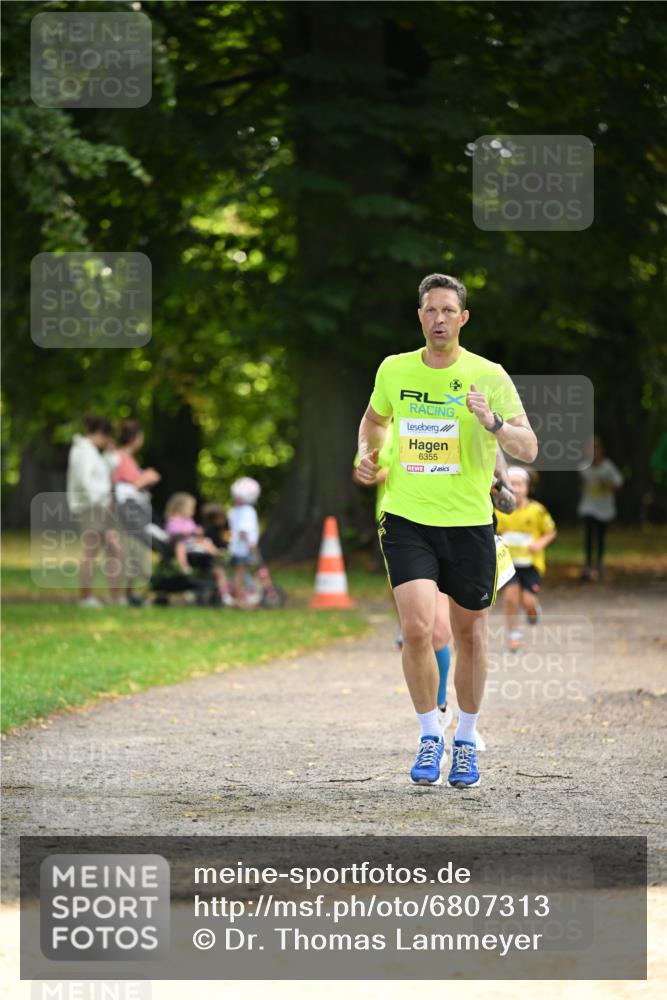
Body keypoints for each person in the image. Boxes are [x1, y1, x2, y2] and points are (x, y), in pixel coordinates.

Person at [356, 273, 537, 788]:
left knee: (471, 636)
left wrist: (494, 422)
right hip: (408, 517)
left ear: (463, 318)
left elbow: (529, 447)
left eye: (448, 311)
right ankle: (429, 734)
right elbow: (373, 421)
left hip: (469, 524)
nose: (438, 319)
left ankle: (466, 739)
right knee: (416, 630)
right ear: (420, 317)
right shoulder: (394, 369)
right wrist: (366, 457)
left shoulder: (490, 375)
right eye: (430, 310)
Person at [495, 466, 557, 651]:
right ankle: (513, 633)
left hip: (531, 564)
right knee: (510, 597)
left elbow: (550, 531)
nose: (515, 488)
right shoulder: (500, 511)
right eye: (511, 484)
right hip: (509, 563)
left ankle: (532, 609)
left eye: (519, 484)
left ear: (527, 487)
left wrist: (539, 544)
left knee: (527, 600)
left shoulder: (537, 510)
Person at [66, 414, 122, 608]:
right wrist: (97, 501)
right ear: (100, 433)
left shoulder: (91, 452)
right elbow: (84, 481)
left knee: (114, 550)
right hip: (92, 508)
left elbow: (102, 474)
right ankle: (85, 597)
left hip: (101, 507)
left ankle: (115, 597)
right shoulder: (84, 451)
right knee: (91, 552)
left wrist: (110, 454)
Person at [111, 419, 161, 606]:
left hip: (134, 511)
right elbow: (123, 487)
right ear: (135, 438)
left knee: (134, 553)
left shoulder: (128, 458)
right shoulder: (120, 458)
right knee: (126, 553)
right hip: (127, 514)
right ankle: (120, 596)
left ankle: (129, 594)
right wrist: (146, 478)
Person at [164, 492, 233, 604]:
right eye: (191, 508)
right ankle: (184, 566)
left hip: (194, 545)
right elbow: (173, 533)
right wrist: (188, 533)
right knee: (180, 544)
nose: (193, 511)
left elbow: (197, 532)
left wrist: (198, 532)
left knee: (205, 541)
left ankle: (216, 552)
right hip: (183, 546)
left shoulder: (189, 521)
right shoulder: (174, 520)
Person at [577, 436, 623, 581]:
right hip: (588, 506)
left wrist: (607, 484)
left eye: (596, 449)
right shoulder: (583, 467)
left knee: (601, 536)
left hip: (604, 507)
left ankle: (599, 563)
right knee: (589, 534)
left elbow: (619, 484)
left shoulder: (608, 467)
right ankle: (588, 565)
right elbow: (581, 485)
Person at [227, 477, 261, 608]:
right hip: (243, 548)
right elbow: (244, 530)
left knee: (241, 572)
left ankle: (242, 594)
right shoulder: (248, 511)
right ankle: (240, 598)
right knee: (240, 572)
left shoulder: (234, 511)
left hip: (236, 548)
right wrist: (250, 544)